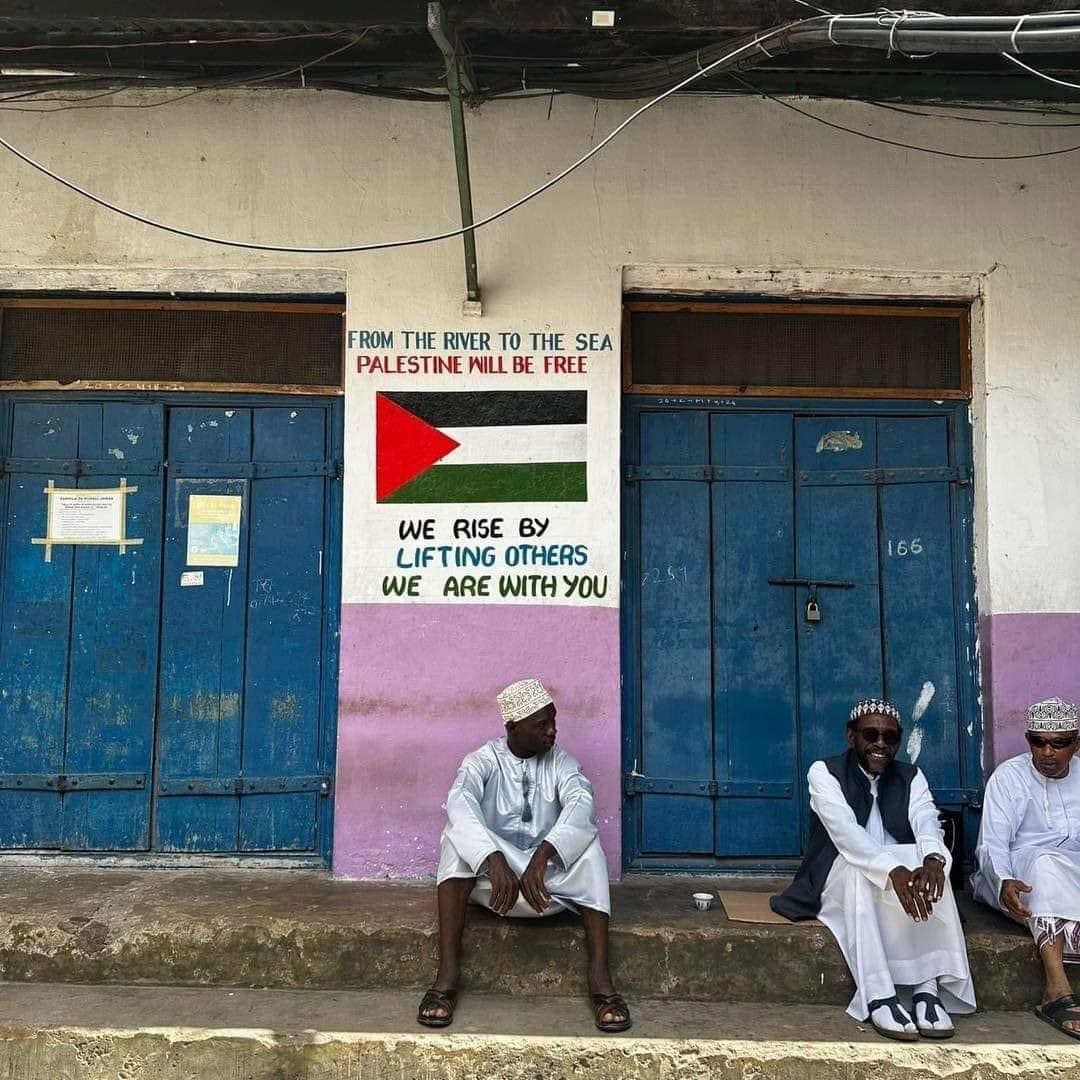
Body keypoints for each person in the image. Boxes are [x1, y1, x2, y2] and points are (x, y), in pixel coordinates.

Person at [417, 677, 630, 1033]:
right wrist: (490, 856)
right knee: (455, 844)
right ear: (513, 727)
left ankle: (600, 981)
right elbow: (460, 802)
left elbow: (581, 802)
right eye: (542, 725)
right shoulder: (481, 761)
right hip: (496, 886)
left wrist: (546, 852)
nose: (552, 732)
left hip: (545, 885)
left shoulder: (562, 763)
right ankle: (446, 979)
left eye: (554, 722)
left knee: (591, 850)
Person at [771, 698, 975, 1040]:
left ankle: (927, 988)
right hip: (837, 879)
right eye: (871, 735)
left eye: (890, 738)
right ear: (852, 736)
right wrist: (892, 870)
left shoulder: (911, 776)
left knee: (924, 864)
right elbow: (846, 834)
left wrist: (934, 860)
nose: (881, 744)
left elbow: (926, 820)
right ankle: (879, 993)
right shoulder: (824, 772)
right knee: (859, 870)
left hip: (900, 881)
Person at [970, 696, 1080, 1039]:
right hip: (1019, 872)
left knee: (1056, 867)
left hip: (1072, 868)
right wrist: (1003, 879)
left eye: (1059, 744)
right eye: (1039, 742)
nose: (1047, 752)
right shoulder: (1009, 777)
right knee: (1045, 865)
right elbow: (992, 844)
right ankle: (1056, 990)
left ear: (1076, 742)